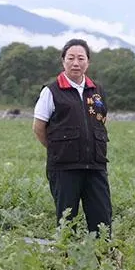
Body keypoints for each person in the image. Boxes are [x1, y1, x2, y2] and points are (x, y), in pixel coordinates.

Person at [32, 39, 112, 236]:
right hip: (64, 167)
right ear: (63, 61)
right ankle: (66, 263)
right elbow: (39, 127)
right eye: (71, 58)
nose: (76, 63)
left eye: (81, 58)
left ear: (88, 62)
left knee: (102, 220)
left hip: (95, 166)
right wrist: (58, 149)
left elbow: (102, 120)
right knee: (67, 221)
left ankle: (102, 262)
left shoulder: (97, 90)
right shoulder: (51, 92)